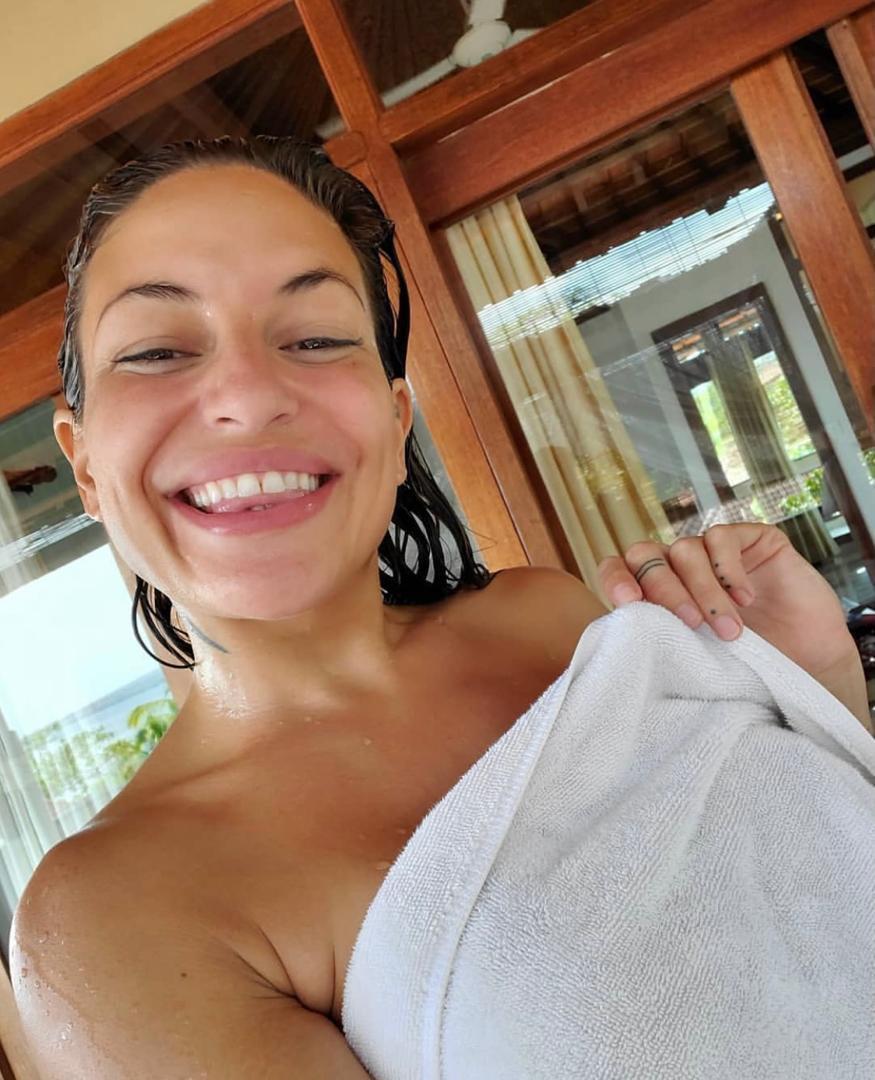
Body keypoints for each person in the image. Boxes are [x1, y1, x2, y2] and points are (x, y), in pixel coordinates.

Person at [9, 136, 871, 1079]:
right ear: (84, 464)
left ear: (394, 419)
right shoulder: (118, 913)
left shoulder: (552, 619)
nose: (247, 397)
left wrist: (818, 680)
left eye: (314, 338)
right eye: (157, 351)